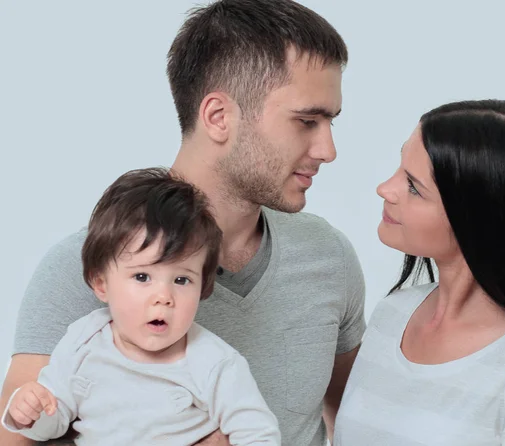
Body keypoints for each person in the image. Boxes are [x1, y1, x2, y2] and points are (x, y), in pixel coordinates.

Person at [0, 1, 365, 445]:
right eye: (307, 121)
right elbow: (22, 432)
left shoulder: (329, 256)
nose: (328, 149)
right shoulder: (80, 268)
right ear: (218, 117)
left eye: (329, 122)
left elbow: (354, 417)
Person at [334, 100, 505, 445]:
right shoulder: (394, 314)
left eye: (414, 187)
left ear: (476, 218)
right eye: (400, 168)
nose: (385, 188)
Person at [1, 168, 280, 445]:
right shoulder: (82, 341)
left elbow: (258, 433)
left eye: (182, 280)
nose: (164, 296)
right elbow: (55, 416)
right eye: (142, 277)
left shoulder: (214, 362)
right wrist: (31, 411)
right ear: (101, 284)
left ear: (202, 288)